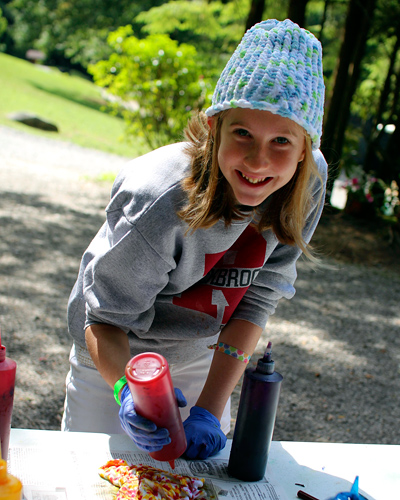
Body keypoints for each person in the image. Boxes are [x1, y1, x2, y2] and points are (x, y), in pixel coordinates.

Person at [62, 18, 327, 460]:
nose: (259, 161)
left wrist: (209, 408)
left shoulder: (308, 183)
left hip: (203, 355)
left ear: (305, 149)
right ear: (214, 126)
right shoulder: (159, 198)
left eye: (282, 140)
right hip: (115, 360)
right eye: (242, 133)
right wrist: (129, 391)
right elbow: (103, 318)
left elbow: (257, 299)